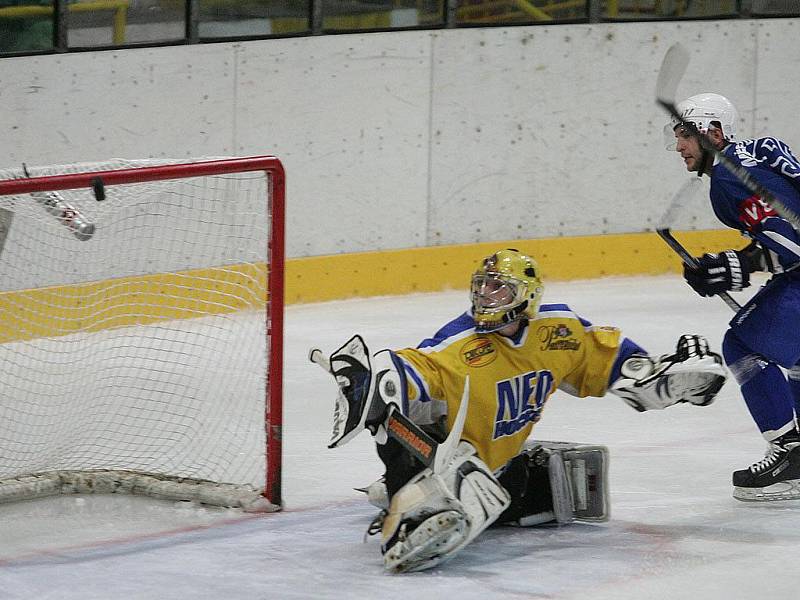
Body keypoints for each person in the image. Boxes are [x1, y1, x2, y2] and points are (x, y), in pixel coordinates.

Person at [311, 248, 727, 573]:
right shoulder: (457, 344)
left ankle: (426, 500)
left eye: (499, 289)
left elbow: (614, 367)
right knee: (396, 419)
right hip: (454, 458)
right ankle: (411, 494)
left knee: (514, 489)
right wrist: (369, 378)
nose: (486, 297)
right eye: (481, 287)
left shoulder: (558, 331)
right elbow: (409, 371)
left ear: (525, 296)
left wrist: (669, 382)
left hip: (505, 471)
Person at [667, 92, 800, 501]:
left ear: (714, 132)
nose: (679, 146)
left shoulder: (726, 181)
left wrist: (736, 266)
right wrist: (734, 264)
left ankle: (790, 452)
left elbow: (793, 245)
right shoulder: (754, 153)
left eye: (686, 134)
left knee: (742, 343)